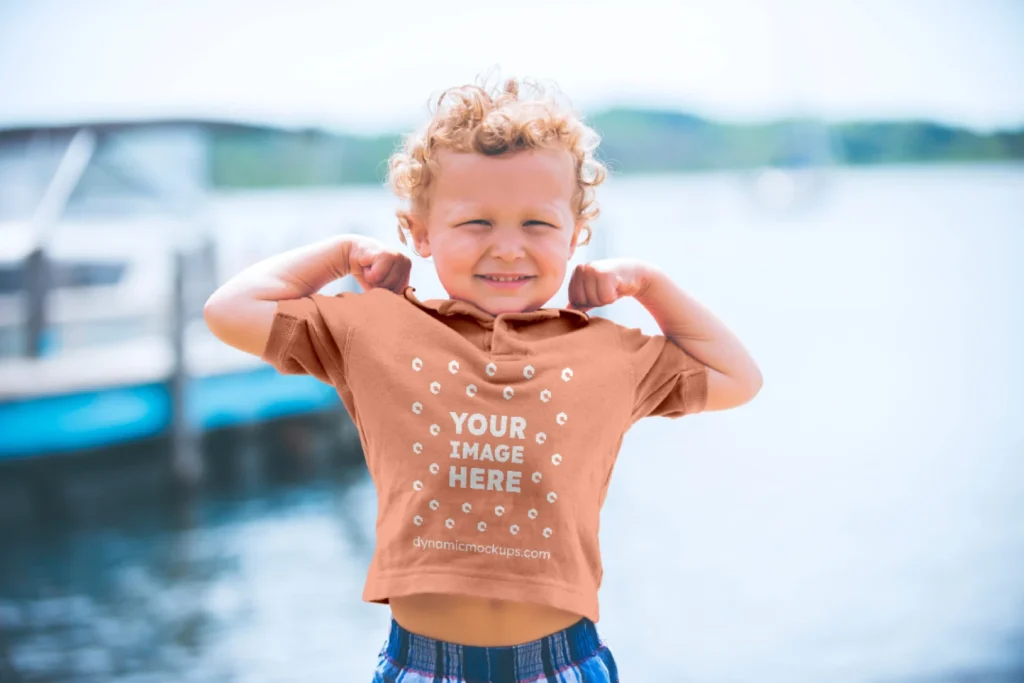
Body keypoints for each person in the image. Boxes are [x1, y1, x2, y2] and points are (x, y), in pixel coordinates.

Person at [204, 75, 763, 682]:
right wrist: (340, 254)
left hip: (561, 662)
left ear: (576, 235)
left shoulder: (608, 351)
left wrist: (649, 285)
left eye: (537, 225)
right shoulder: (375, 330)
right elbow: (229, 311)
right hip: (422, 664)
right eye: (475, 223)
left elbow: (737, 377)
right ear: (419, 232)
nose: (506, 248)